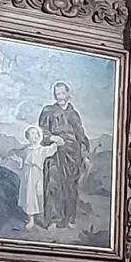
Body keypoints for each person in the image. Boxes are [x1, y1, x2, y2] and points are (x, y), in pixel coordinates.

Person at [38, 81, 90, 228]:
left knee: (71, 186)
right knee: (53, 183)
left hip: (72, 154)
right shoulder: (48, 111)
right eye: (56, 93)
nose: (59, 95)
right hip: (54, 151)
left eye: (61, 92)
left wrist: (85, 152)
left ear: (68, 94)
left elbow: (81, 135)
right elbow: (42, 131)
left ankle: (70, 218)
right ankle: (53, 219)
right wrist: (52, 138)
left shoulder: (74, 114)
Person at [20, 121, 60, 229]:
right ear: (27, 137)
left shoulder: (41, 149)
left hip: (38, 175)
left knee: (39, 195)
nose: (34, 136)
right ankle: (31, 219)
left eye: (36, 133)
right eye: (31, 134)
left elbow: (51, 150)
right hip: (28, 175)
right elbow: (20, 156)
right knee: (29, 196)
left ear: (39, 136)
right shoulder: (26, 149)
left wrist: (56, 143)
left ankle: (41, 218)